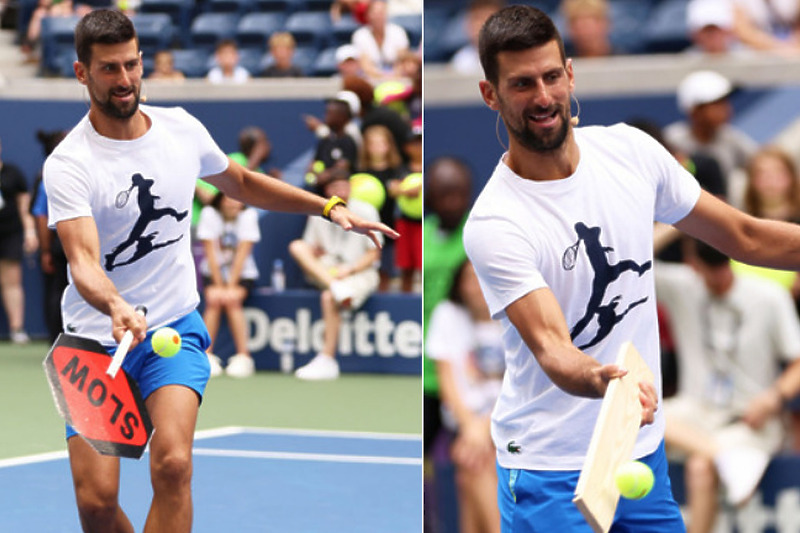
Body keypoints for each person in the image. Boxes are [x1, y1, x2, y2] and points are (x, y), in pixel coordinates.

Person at [43, 10, 396, 532]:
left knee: (174, 465)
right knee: (96, 503)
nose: (125, 80)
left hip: (173, 328)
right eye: (110, 69)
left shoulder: (181, 128)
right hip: (94, 342)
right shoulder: (70, 163)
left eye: (132, 64)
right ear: (82, 73)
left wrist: (327, 208)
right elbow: (83, 261)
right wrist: (116, 305)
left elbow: (245, 184)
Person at [463, 5, 800, 530]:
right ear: (492, 95)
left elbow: (745, 236)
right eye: (522, 84)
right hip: (549, 470)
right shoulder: (495, 221)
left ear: (570, 72)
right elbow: (554, 348)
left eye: (552, 76)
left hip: (637, 448)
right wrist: (608, 380)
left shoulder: (632, 153)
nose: (544, 97)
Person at [655, 239, 800, 533]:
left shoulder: (768, 296)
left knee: (700, 467)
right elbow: (632, 252)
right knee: (638, 412)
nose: (720, 276)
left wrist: (774, 397)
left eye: (723, 265)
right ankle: (722, 455)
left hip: (749, 421)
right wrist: (677, 218)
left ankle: (716, 456)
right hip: (696, 412)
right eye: (711, 268)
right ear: (693, 264)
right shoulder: (681, 284)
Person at [428, 259, 503, 533]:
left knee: (474, 464)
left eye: (482, 276)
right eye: (469, 278)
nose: (476, 285)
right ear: (459, 284)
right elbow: (446, 378)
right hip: (463, 425)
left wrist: (484, 428)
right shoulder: (447, 314)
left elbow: (518, 385)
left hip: (506, 425)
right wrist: (471, 427)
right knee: (474, 461)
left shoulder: (515, 316)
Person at [289, 170, 382, 380]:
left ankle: (327, 359)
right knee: (297, 246)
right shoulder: (318, 212)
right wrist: (322, 261)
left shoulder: (366, 210)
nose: (341, 191)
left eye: (344, 186)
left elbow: (373, 254)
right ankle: (334, 285)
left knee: (329, 297)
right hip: (329, 271)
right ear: (327, 191)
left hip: (359, 272)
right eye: (335, 188)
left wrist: (349, 270)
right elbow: (310, 247)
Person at [422, 155, 473, 532]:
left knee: (471, 462)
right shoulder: (423, 233)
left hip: (469, 373)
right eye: (443, 194)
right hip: (428, 374)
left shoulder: (480, 232)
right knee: (422, 463)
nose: (451, 201)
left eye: (457, 193)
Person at [664, 70, 759, 207]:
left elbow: (760, 164)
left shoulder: (731, 138)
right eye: (716, 104)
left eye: (725, 103)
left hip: (724, 212)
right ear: (695, 111)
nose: (726, 109)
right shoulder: (671, 140)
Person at [197, 191, 260, 378]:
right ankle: (206, 355)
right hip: (212, 273)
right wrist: (220, 285)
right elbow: (210, 251)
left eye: (237, 199)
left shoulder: (249, 216)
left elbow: (243, 253)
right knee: (214, 299)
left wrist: (230, 286)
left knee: (232, 299)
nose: (233, 203)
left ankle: (244, 356)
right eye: (229, 199)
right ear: (220, 201)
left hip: (242, 274)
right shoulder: (209, 213)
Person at [30, 129, 69, 344]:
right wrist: (46, 250)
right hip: (63, 246)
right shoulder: (50, 177)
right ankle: (59, 342)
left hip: (76, 245)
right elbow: (41, 215)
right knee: (60, 291)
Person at [0, 137, 37, 344]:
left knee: (11, 281)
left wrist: (30, 232)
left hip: (10, 234)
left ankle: (17, 329)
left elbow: (24, 206)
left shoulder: (12, 174)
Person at [350, 0, 410, 80]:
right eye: (375, 13)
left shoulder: (398, 32)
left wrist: (393, 77)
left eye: (381, 13)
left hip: (397, 78)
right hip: (370, 79)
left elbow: (402, 61)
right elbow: (365, 66)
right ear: (367, 15)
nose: (378, 16)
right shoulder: (360, 35)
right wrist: (382, 78)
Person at [450, 0, 505, 75]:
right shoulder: (461, 59)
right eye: (477, 19)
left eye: (489, 18)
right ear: (467, 24)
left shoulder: (511, 56)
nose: (482, 25)